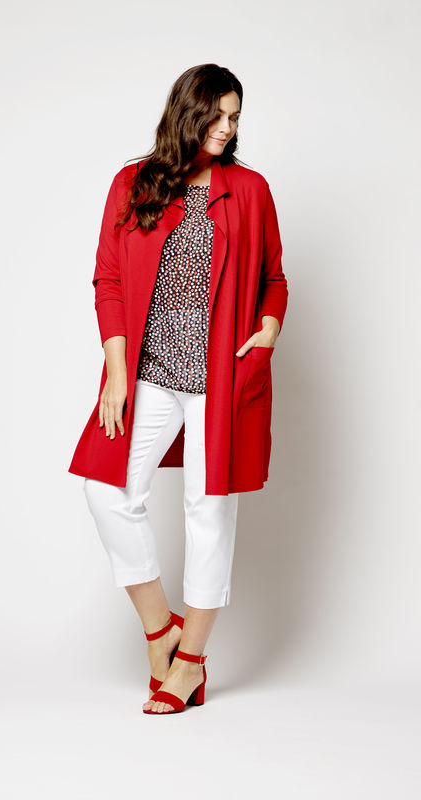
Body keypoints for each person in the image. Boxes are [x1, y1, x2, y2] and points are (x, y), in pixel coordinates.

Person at [68, 63, 288, 714]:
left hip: (222, 376)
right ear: (186, 114)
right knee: (106, 490)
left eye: (235, 117)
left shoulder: (249, 190)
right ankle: (161, 629)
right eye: (216, 115)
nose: (227, 128)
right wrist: (116, 373)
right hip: (151, 373)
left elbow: (274, 279)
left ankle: (189, 661)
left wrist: (269, 329)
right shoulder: (133, 184)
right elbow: (109, 281)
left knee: (207, 510)